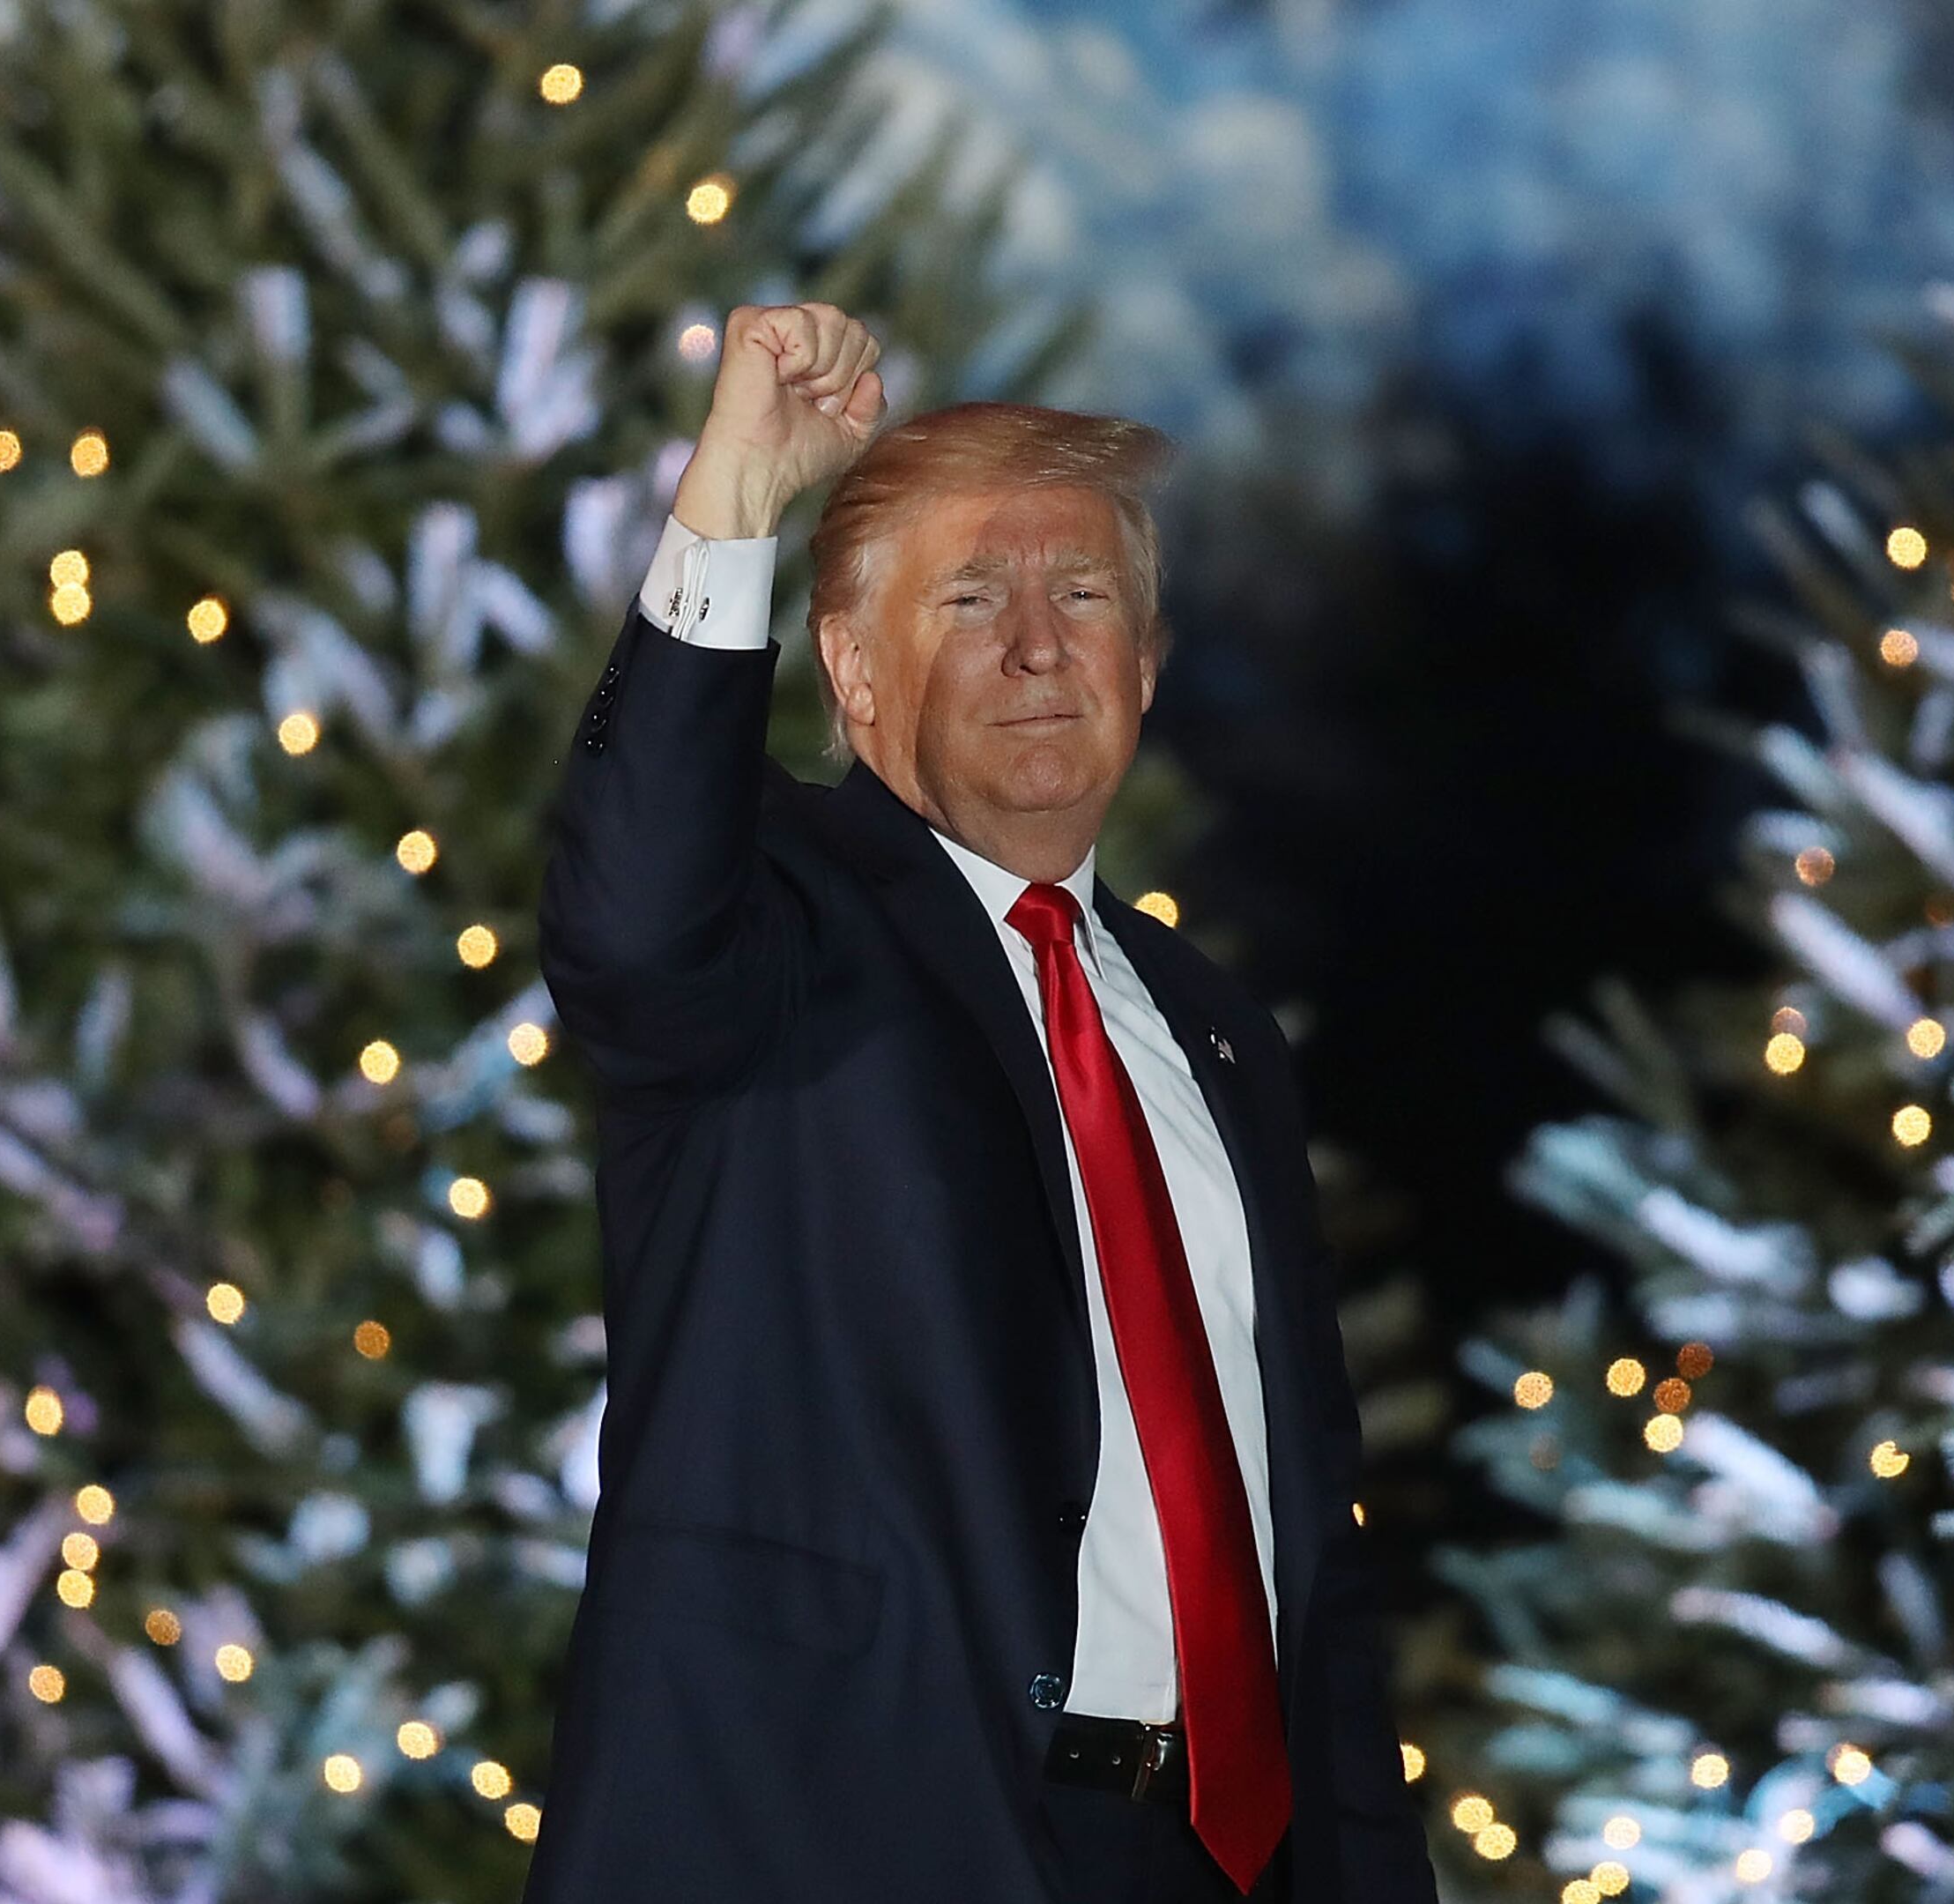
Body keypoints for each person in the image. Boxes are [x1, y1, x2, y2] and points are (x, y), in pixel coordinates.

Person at [522, 301, 1436, 1903]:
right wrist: (735, 489)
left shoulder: (1215, 1034)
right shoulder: (775, 929)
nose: (1036, 645)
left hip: (1218, 1863)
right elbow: (630, 903)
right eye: (970, 598)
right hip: (852, 1837)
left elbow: (1311, 1558)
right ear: (858, 673)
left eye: (1083, 596)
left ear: (1144, 666)